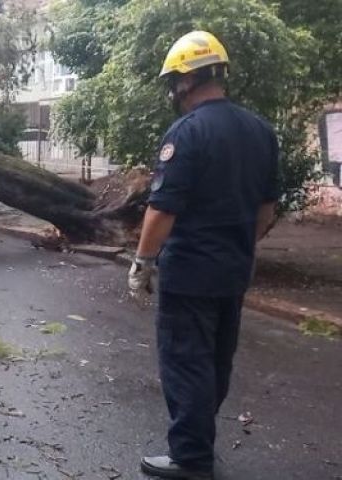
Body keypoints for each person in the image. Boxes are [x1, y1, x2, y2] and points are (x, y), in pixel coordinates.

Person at [128, 31, 280, 480]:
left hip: (190, 271)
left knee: (185, 359)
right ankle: (199, 438)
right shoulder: (261, 131)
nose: (173, 91)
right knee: (216, 359)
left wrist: (143, 262)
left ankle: (191, 457)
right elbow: (266, 211)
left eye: (174, 82)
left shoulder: (187, 132)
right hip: (233, 269)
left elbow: (162, 209)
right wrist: (236, 245)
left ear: (185, 81)